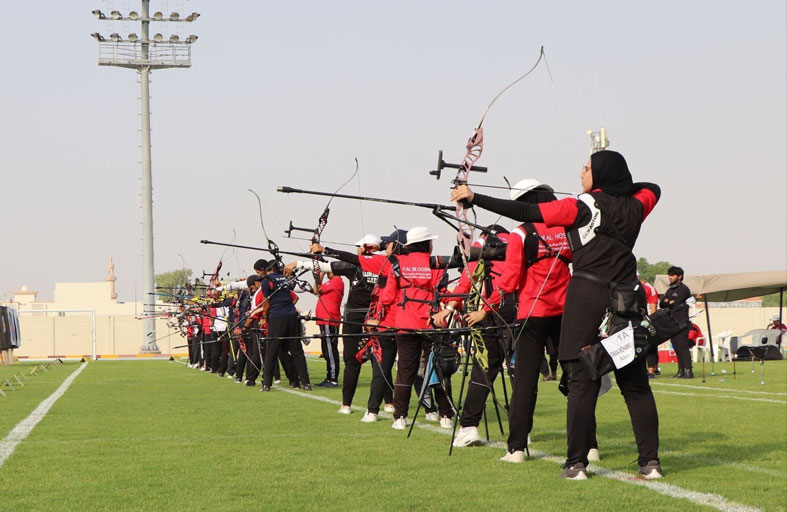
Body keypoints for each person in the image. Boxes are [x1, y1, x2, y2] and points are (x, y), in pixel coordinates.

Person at [451, 150, 663, 480]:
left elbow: (525, 211)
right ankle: (650, 463)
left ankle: (577, 463)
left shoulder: (581, 206)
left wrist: (474, 195)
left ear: (601, 175)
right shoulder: (638, 205)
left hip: (586, 298)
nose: (581, 173)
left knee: (581, 380)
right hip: (626, 297)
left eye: (587, 168)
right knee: (635, 384)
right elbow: (653, 187)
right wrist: (617, 188)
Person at [380, 226, 453, 430]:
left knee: (405, 371)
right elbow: (445, 293)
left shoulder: (397, 264)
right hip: (433, 323)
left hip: (405, 325)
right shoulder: (437, 263)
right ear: (427, 244)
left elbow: (386, 298)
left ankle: (399, 418)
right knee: (437, 369)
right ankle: (445, 416)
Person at [256, 259, 312, 391]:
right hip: (292, 317)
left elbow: (266, 303)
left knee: (272, 351)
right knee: (297, 350)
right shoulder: (286, 279)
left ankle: (267, 384)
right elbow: (294, 296)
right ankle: (305, 383)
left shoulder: (266, 282)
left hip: (277, 318)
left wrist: (264, 317)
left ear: (268, 270)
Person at [313, 269, 344, 387]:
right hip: (324, 320)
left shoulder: (336, 281)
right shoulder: (333, 282)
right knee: (326, 350)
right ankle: (330, 377)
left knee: (330, 350)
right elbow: (316, 290)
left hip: (329, 319)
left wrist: (320, 275)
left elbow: (317, 289)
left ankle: (333, 378)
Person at [660, 266, 693, 378]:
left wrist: (668, 302)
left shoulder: (684, 289)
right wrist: (668, 302)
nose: (670, 277)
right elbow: (662, 304)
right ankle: (681, 370)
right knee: (676, 347)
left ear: (680, 276)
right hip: (671, 323)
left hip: (682, 322)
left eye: (672, 275)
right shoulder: (670, 290)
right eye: (669, 275)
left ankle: (688, 371)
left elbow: (676, 303)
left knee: (683, 347)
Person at [641, 276, 660, 378]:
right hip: (637, 320)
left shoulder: (649, 288)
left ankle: (651, 370)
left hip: (647, 320)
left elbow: (653, 307)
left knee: (650, 345)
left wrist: (651, 322)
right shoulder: (632, 287)